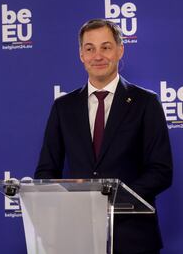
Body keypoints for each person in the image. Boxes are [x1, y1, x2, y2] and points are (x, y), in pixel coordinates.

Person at [35, 19, 173, 254]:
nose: (97, 56)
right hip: (79, 236)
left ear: (120, 50)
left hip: (133, 237)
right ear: (81, 55)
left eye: (106, 47)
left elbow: (161, 171)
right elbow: (46, 171)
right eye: (90, 49)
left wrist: (112, 199)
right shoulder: (63, 107)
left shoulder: (145, 102)